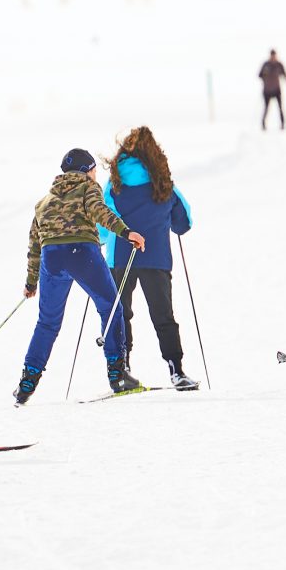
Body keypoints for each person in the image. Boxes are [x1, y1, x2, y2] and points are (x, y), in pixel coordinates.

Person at [14, 148, 146, 404]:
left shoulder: (44, 202)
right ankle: (118, 375)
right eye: (94, 170)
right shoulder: (88, 187)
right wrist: (126, 232)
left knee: (47, 322)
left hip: (52, 259)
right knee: (111, 308)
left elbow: (34, 247)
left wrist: (31, 283)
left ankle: (27, 383)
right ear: (88, 170)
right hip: (82, 254)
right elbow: (99, 211)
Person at [100, 127, 197, 391]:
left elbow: (103, 218)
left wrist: (101, 239)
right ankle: (176, 370)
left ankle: (123, 369)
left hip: (120, 256)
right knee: (163, 315)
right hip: (156, 256)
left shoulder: (115, 181)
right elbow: (184, 222)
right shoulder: (162, 180)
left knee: (121, 314)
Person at [259, 50, 286, 130]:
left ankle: (282, 124)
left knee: (280, 108)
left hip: (276, 89)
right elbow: (260, 75)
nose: (273, 57)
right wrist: (265, 75)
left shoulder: (279, 65)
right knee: (266, 108)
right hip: (267, 90)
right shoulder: (266, 64)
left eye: (274, 56)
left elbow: (285, 76)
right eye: (272, 56)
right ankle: (263, 124)